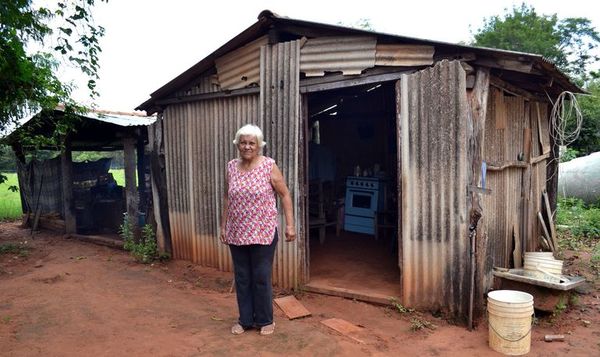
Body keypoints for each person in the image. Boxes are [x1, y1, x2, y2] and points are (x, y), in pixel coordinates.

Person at [220, 124, 296, 336]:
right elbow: (227, 197)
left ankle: (265, 320)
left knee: (261, 276)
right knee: (242, 277)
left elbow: (285, 195)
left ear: (259, 145)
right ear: (237, 144)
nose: (247, 146)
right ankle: (245, 320)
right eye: (243, 142)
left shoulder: (269, 166)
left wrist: (290, 225)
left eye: (251, 143)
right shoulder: (231, 167)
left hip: (263, 232)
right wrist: (223, 224)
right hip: (237, 232)